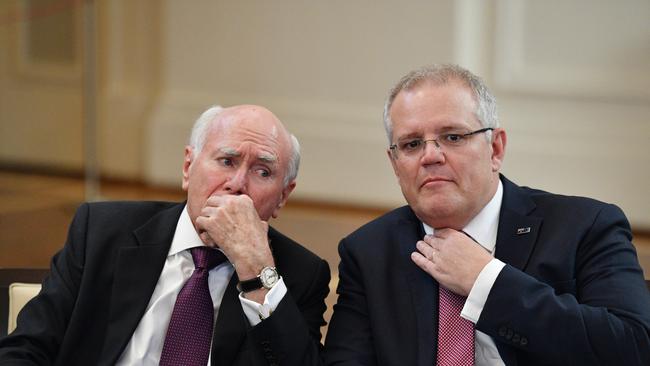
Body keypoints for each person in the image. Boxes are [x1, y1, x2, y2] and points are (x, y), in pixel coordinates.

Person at [323, 64, 650, 365]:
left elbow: (632, 347)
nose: (430, 156)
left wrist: (487, 282)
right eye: (410, 144)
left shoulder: (586, 226)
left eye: (452, 137)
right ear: (395, 164)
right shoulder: (368, 252)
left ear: (495, 149)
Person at [0, 105, 330, 365]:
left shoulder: (299, 275)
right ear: (188, 167)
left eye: (263, 171)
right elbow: (26, 348)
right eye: (226, 160)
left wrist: (256, 269)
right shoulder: (102, 232)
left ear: (283, 196)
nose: (237, 183)